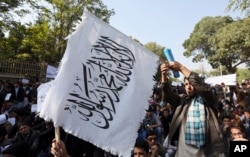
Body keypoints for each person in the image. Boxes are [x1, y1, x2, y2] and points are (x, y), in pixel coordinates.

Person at [160, 61, 225, 157]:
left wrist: (181, 67)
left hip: (205, 151)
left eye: (191, 84)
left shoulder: (208, 100)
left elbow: (204, 88)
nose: (189, 87)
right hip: (184, 151)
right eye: (186, 84)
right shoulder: (182, 100)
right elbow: (167, 94)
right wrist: (164, 74)